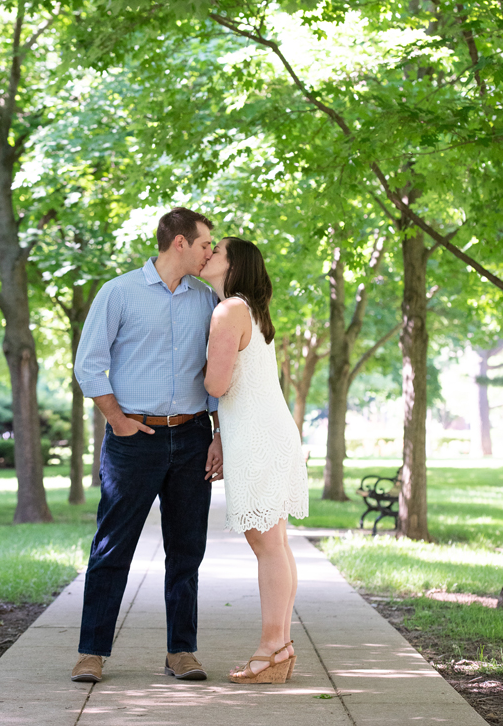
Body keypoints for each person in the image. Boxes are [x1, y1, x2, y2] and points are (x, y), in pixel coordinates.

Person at [71, 207, 221, 683]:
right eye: (204, 245)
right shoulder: (119, 293)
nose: (210, 253)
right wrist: (116, 419)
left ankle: (182, 651)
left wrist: (219, 435)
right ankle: (91, 652)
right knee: (112, 547)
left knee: (187, 550)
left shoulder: (208, 299)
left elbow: (218, 373)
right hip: (135, 437)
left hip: (195, 436)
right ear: (179, 242)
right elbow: (88, 364)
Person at [200, 236, 310, 683]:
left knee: (267, 546)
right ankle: (279, 648)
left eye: (217, 251)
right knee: (275, 545)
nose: (209, 255)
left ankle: (270, 650)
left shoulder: (228, 311)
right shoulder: (250, 309)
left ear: (235, 264)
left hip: (259, 439)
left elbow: (217, 384)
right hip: (265, 432)